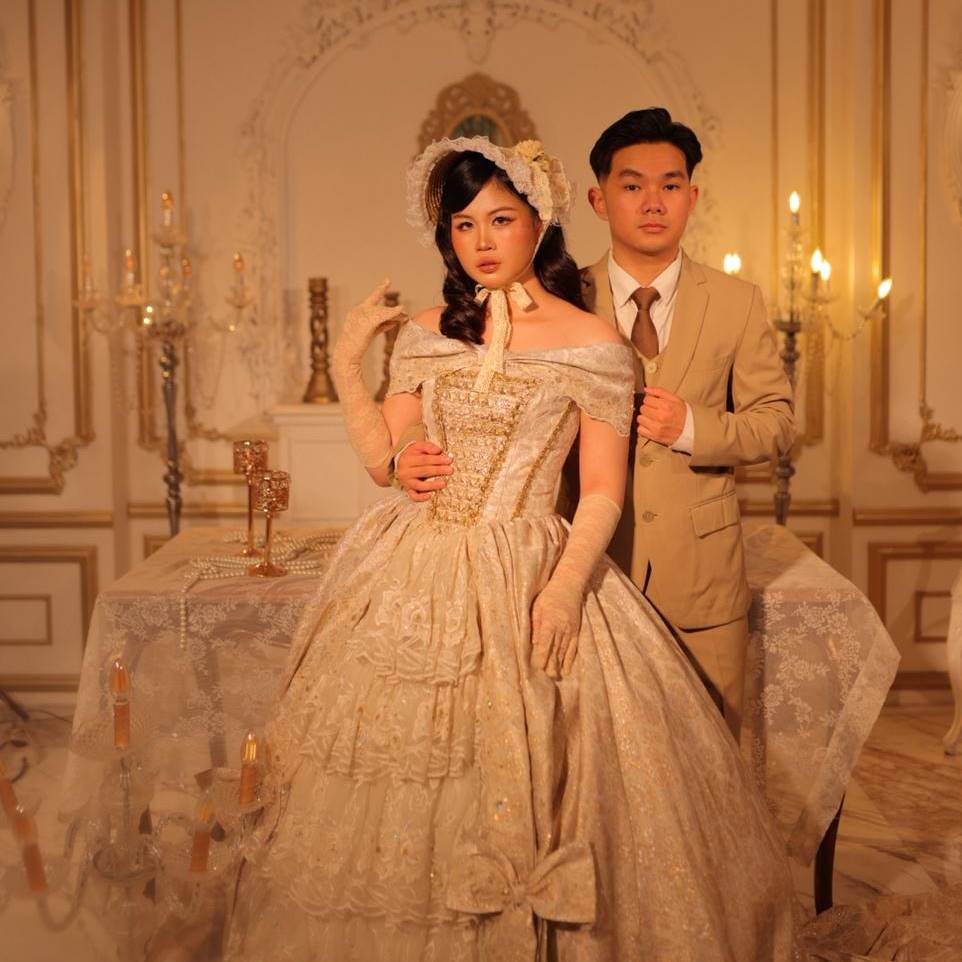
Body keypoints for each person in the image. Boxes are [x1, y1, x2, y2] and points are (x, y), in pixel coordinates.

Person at [226, 137, 795, 961]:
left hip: (530, 563)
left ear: (540, 223)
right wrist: (355, 376)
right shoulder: (427, 334)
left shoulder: (595, 344)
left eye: (500, 219)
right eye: (463, 224)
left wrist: (563, 589)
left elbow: (601, 491)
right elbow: (385, 461)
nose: (481, 241)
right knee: (400, 770)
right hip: (415, 570)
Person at [397, 110, 795, 739]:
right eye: (632, 185)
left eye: (670, 185)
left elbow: (776, 423)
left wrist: (691, 427)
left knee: (710, 755)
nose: (653, 202)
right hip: (572, 573)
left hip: (699, 577)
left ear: (692, 196)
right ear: (598, 200)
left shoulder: (737, 301)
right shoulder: (554, 295)